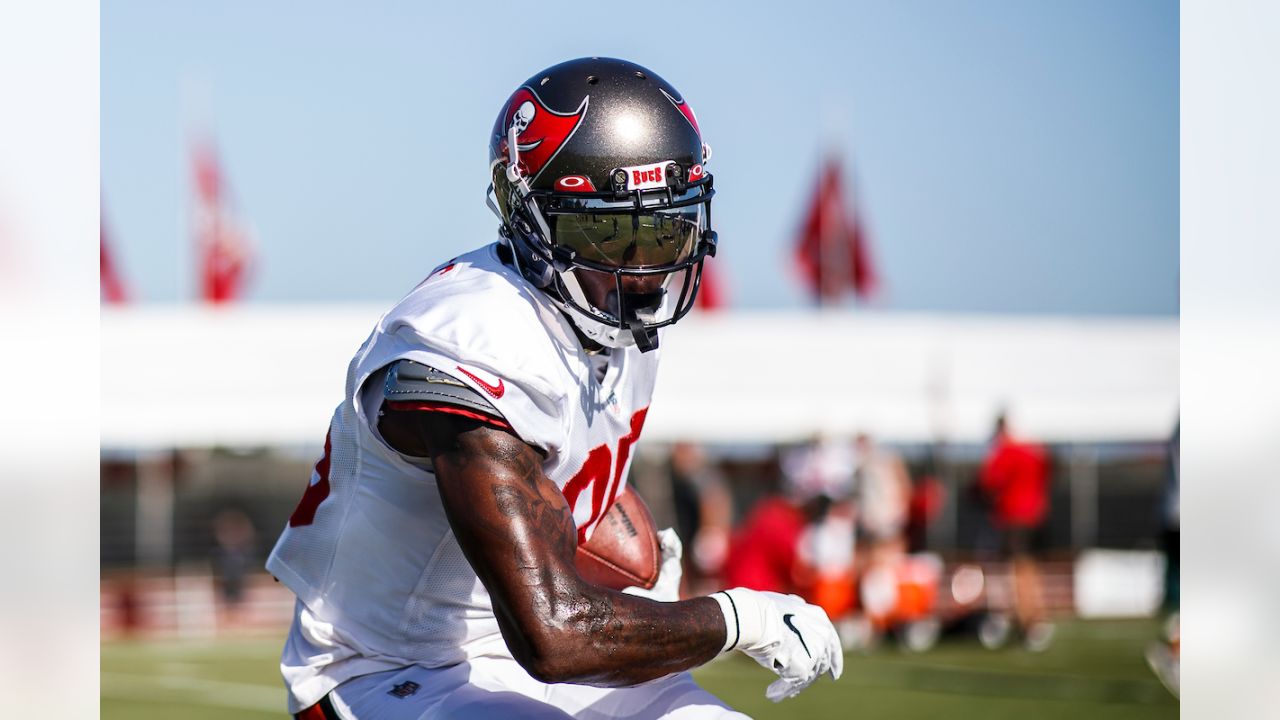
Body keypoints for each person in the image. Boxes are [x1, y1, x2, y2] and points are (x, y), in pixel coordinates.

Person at [266, 57, 842, 720]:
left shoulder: (605, 312)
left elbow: (565, 467)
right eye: (607, 232)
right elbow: (556, 635)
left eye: (663, 229)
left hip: (527, 642)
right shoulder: (471, 339)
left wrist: (640, 577)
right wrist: (737, 617)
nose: (645, 268)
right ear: (528, 220)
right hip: (393, 668)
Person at [976, 413, 1053, 651]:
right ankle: (1036, 619)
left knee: (1017, 571)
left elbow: (987, 482)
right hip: (1036, 516)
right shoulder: (1032, 449)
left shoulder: (1005, 451)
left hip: (1014, 518)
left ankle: (1027, 622)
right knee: (1030, 570)